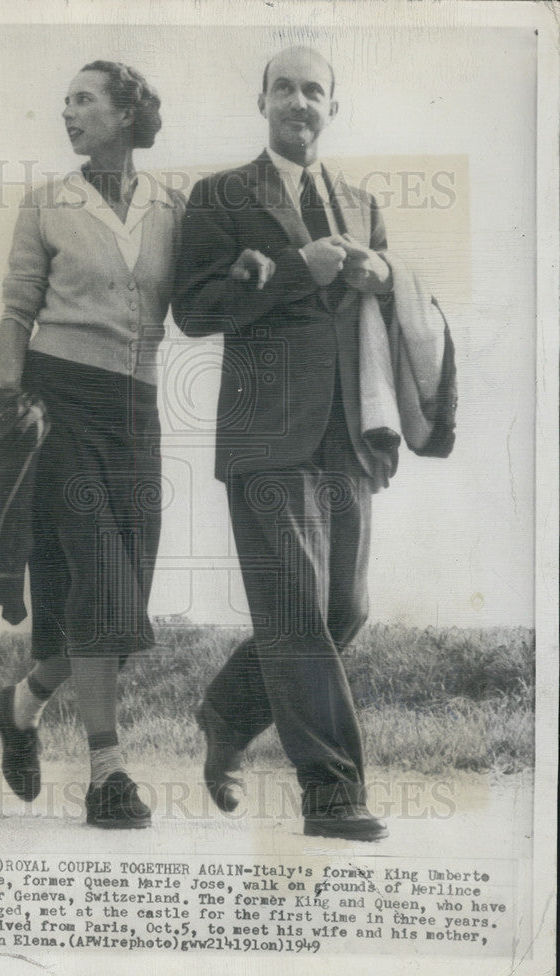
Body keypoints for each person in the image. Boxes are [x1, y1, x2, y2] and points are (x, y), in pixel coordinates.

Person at [172, 46, 455, 841]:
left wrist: (383, 273)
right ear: (260, 99)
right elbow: (191, 310)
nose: (299, 103)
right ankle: (331, 792)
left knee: (343, 608)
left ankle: (226, 711)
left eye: (314, 92)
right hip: (264, 437)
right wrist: (295, 268)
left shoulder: (362, 203)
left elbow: (392, 311)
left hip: (349, 433)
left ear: (334, 107)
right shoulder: (220, 195)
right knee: (295, 610)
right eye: (285, 89)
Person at [0, 60, 185, 829]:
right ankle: (108, 771)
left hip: (134, 413)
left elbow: (198, 300)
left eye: (83, 99)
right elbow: (13, 313)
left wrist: (248, 266)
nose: (67, 112)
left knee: (117, 600)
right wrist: (13, 397)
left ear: (128, 112)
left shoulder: (174, 206)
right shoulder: (45, 204)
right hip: (56, 405)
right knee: (100, 582)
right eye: (63, 99)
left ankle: (18, 704)